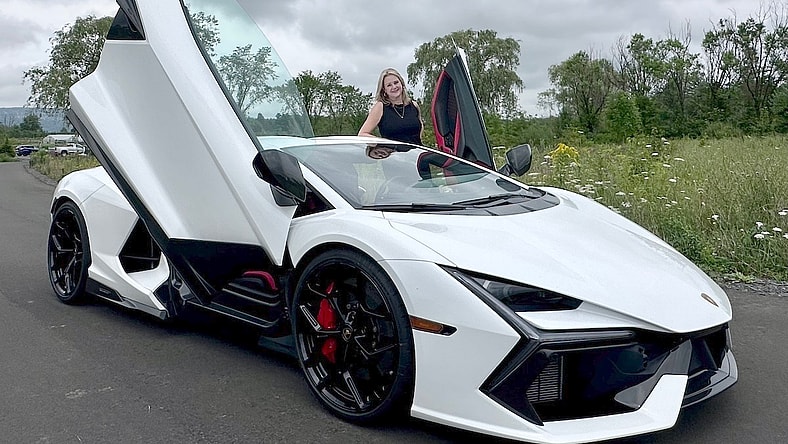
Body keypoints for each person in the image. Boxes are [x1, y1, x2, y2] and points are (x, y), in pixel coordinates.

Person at [358, 68, 423, 145]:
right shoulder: (380, 107)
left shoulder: (414, 105)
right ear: (384, 90)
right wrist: (381, 145)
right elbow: (362, 134)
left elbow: (420, 128)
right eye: (389, 85)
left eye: (396, 82)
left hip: (415, 155)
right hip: (393, 156)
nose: (394, 87)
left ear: (401, 83)